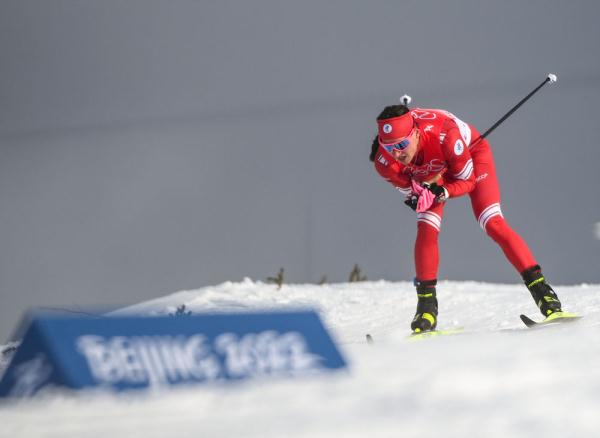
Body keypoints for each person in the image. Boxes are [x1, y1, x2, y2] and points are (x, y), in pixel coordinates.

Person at [369, 102, 563, 333]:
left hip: (469, 156)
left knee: (492, 223)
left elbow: (468, 182)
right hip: (431, 171)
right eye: (390, 147)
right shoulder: (385, 163)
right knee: (426, 228)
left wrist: (443, 191)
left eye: (401, 145)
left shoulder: (446, 135)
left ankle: (546, 299)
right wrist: (417, 196)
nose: (398, 154)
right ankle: (426, 311)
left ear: (416, 133)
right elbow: (410, 190)